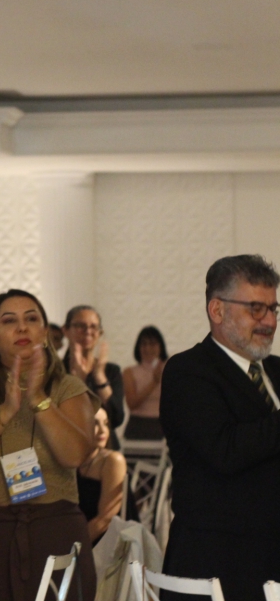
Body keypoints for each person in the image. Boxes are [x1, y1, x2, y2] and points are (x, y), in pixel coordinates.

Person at [0, 289, 97, 601]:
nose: (21, 328)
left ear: (44, 333)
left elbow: (75, 455)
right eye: (9, 321)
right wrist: (5, 411)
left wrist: (39, 400)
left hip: (55, 528)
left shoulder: (68, 387)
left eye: (31, 319)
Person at [159, 254, 280, 600]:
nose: (269, 321)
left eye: (273, 309)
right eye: (256, 309)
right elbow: (225, 450)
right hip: (217, 565)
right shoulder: (188, 371)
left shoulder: (277, 371)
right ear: (217, 310)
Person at [63, 305, 125, 450]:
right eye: (80, 326)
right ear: (65, 330)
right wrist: (78, 381)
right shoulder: (56, 371)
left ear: (100, 333)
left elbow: (116, 418)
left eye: (93, 327)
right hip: (68, 449)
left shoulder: (111, 371)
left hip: (106, 450)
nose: (88, 331)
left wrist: (99, 376)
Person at [77, 408, 135, 545]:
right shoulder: (68, 459)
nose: (103, 430)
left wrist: (71, 548)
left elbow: (106, 519)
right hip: (79, 535)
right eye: (95, 423)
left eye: (106, 423)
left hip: (106, 544)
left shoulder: (113, 460)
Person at [122, 326, 168, 442]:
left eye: (152, 344)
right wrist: (154, 382)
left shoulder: (170, 369)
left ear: (160, 346)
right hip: (138, 425)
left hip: (164, 425)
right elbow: (132, 403)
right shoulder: (129, 372)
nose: (148, 348)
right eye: (144, 344)